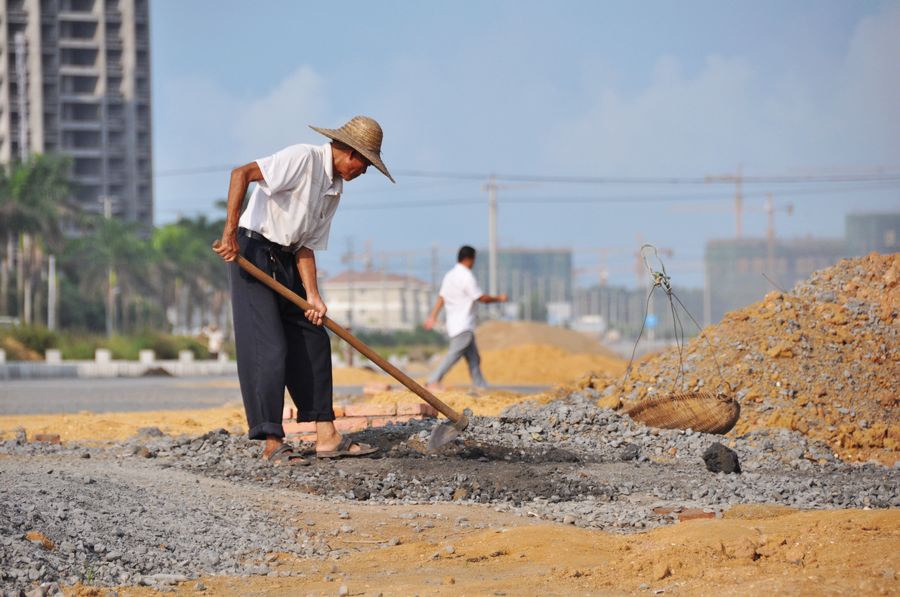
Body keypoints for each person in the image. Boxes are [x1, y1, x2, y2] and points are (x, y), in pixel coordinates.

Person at [213, 115, 394, 465]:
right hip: (253, 253)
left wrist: (313, 296)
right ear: (348, 152)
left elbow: (305, 246)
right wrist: (230, 234)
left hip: (287, 259)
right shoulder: (303, 159)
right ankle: (271, 442)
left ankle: (326, 436)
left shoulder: (333, 190)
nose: (365, 172)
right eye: (365, 163)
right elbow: (242, 174)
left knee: (313, 337)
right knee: (270, 348)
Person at [423, 246, 507, 390]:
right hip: (463, 325)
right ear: (470, 259)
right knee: (453, 355)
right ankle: (433, 380)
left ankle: (480, 385)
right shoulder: (466, 276)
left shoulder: (450, 275)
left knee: (474, 357)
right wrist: (499, 298)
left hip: (455, 324)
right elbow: (481, 298)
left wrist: (433, 316)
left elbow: (441, 298)